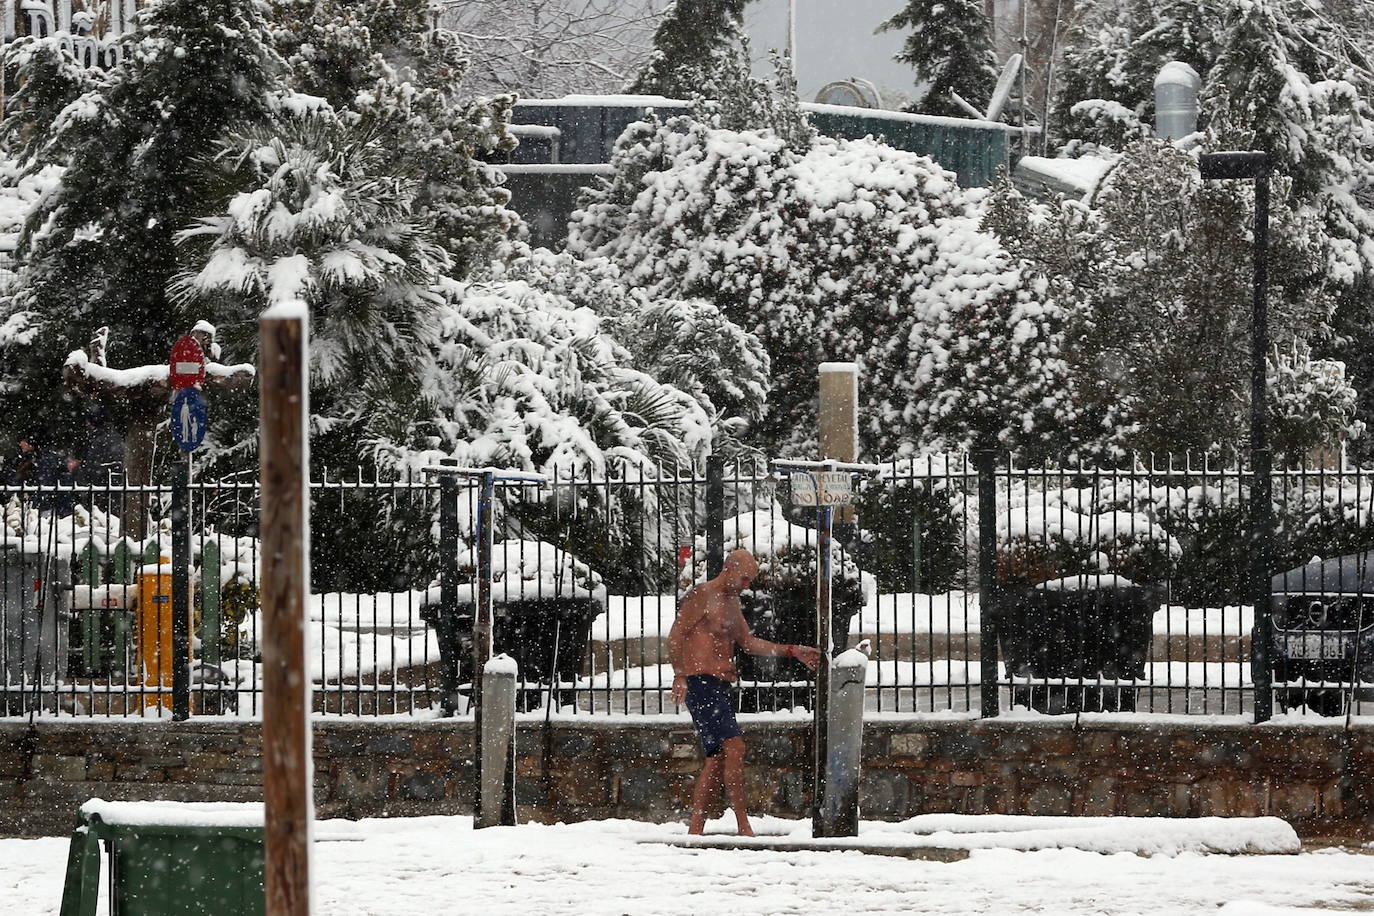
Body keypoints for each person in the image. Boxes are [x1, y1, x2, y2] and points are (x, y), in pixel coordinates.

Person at [668, 548, 823, 836]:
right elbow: (676, 635)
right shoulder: (702, 594)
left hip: (720, 685)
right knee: (735, 749)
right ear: (728, 569)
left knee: (716, 760)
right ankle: (743, 825)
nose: (747, 585)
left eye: (750, 580)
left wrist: (792, 651)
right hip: (701, 682)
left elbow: (749, 643)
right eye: (744, 578)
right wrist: (679, 674)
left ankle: (696, 828)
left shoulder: (730, 603)